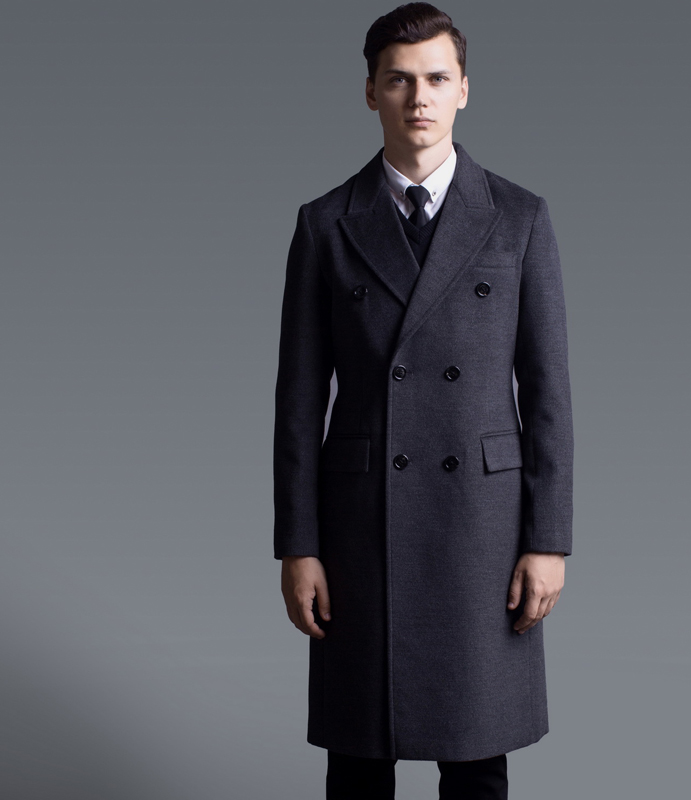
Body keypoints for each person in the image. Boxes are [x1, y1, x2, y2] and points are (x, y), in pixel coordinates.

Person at [273, 4, 574, 798]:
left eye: (437, 78)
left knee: (476, 756)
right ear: (370, 92)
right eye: (399, 80)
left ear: (464, 89)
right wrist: (298, 545)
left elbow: (549, 394)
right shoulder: (326, 224)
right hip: (361, 524)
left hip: (483, 526)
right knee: (359, 758)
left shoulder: (519, 218)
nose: (419, 98)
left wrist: (549, 539)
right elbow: (298, 403)